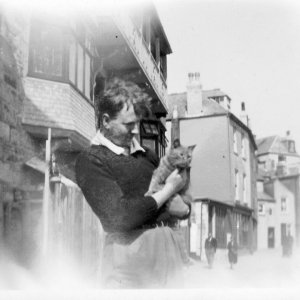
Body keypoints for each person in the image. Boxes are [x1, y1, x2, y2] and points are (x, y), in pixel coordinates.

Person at [75, 77, 191, 288]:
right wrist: (167, 192)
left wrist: (185, 208)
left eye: (137, 123)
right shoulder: (91, 159)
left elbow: (182, 198)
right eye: (128, 124)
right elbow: (118, 217)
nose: (135, 130)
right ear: (106, 121)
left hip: (168, 248)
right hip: (129, 254)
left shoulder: (147, 155)